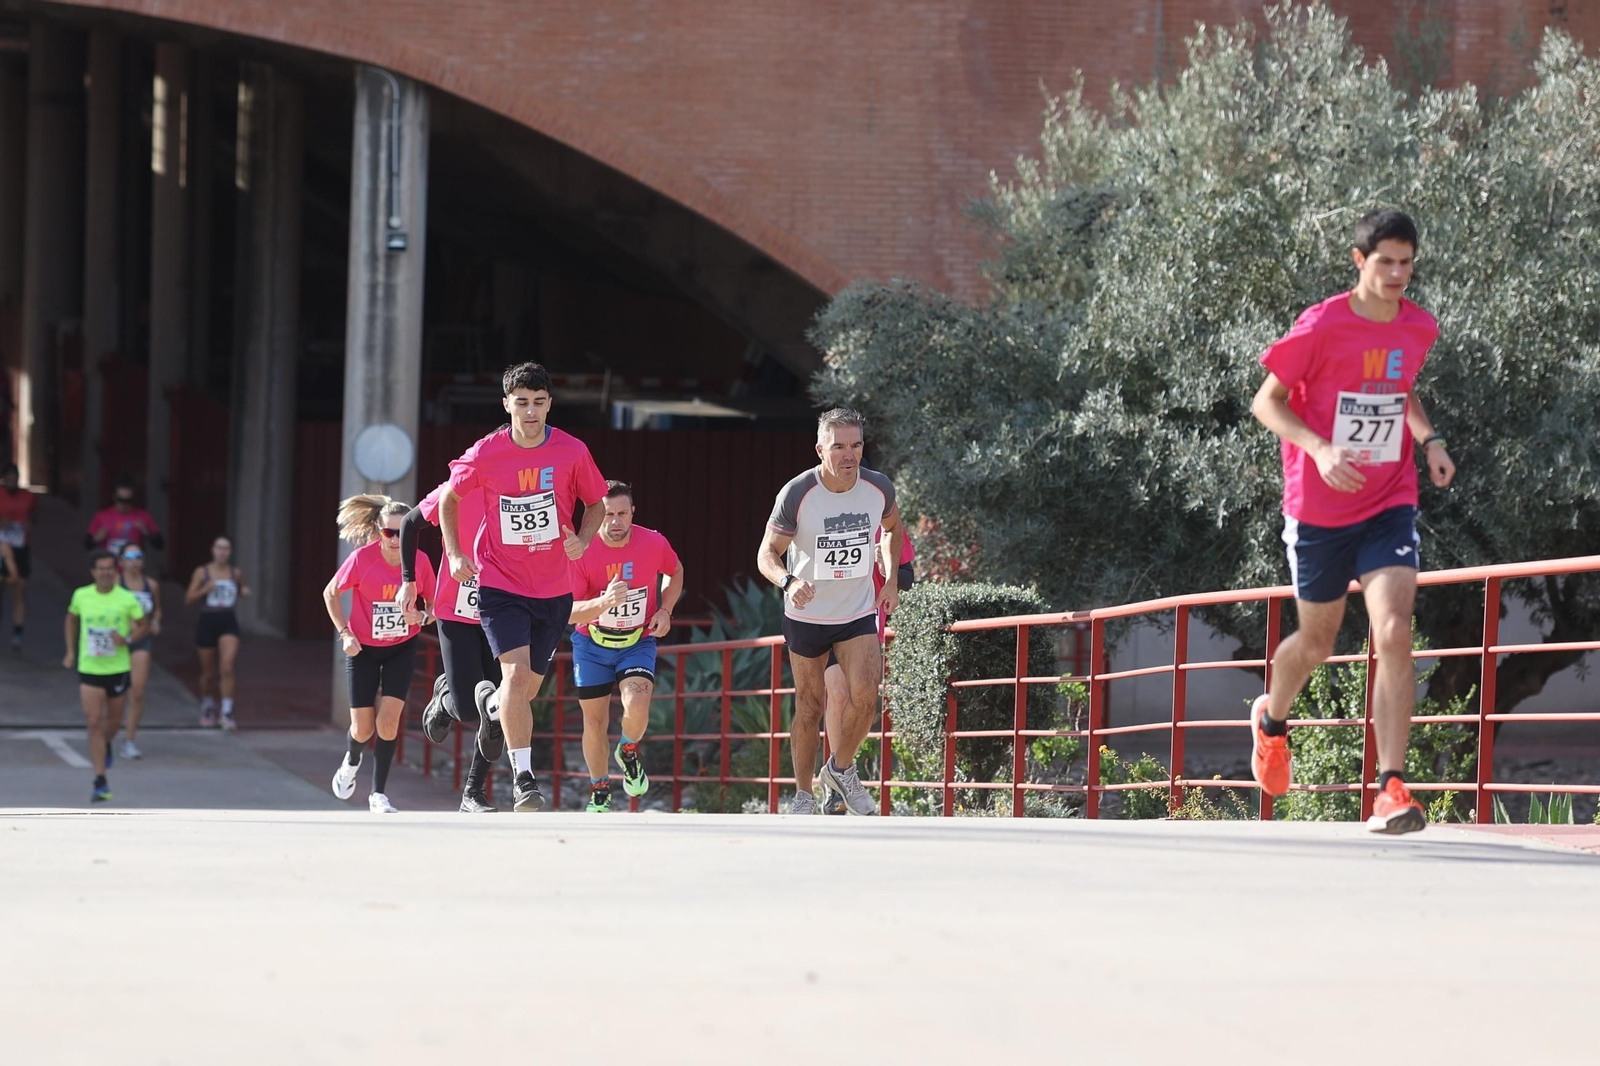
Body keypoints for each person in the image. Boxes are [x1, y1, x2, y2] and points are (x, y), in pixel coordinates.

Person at [1248, 208, 1456, 836]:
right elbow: (1267, 402)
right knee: (1316, 642)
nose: (1397, 274)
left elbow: (1402, 388)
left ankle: (1391, 788)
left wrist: (1430, 440)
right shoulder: (1322, 325)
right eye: (1385, 261)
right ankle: (1271, 721)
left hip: (1389, 499)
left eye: (1407, 263)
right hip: (1318, 509)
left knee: (1393, 630)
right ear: (1359, 261)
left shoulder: (1418, 327)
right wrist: (1319, 448)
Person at [432, 362, 608, 813]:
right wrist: (454, 554)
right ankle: (524, 779)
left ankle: (475, 703)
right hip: (501, 584)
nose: (531, 412)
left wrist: (583, 540)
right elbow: (450, 498)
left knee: (524, 690)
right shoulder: (487, 452)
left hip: (553, 590)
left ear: (550, 404)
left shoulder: (571, 451)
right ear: (507, 404)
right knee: (512, 676)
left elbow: (596, 503)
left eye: (539, 402)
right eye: (522, 402)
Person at [757, 408, 903, 816]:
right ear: (821, 449)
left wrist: (890, 579)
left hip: (856, 612)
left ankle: (840, 769)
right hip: (807, 616)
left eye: (855, 445)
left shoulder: (878, 488)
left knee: (866, 695)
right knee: (810, 706)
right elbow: (766, 553)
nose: (848, 455)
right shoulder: (798, 493)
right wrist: (788, 582)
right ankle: (803, 793)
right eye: (838, 446)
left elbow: (893, 528)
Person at [567, 481, 685, 813]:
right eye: (607, 514)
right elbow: (568, 611)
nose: (615, 522)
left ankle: (628, 749)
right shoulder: (583, 551)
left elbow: (675, 571)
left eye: (622, 513)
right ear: (596, 515)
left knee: (637, 701)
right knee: (594, 722)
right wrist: (604, 602)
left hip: (637, 641)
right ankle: (600, 789)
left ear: (633, 512)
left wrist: (665, 609)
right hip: (592, 644)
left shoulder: (653, 542)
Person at [398, 477, 505, 813]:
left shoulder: (523, 495)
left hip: (502, 614)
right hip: (455, 613)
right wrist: (408, 582)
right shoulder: (454, 491)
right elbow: (408, 524)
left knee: (497, 710)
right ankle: (445, 700)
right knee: (468, 709)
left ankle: (474, 792)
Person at [324, 495, 436, 814]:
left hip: (402, 647)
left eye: (403, 533)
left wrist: (423, 617)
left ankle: (378, 794)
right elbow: (330, 593)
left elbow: (435, 604)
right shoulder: (362, 559)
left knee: (388, 722)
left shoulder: (421, 562)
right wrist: (344, 633)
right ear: (378, 532)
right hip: (363, 650)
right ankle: (352, 759)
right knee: (363, 728)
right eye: (389, 533)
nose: (396, 540)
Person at [819, 524, 915, 814]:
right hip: (826, 619)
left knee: (861, 701)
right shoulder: (826, 519)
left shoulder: (890, 529)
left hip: (865, 628)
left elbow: (907, 579)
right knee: (838, 693)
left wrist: (885, 566)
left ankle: (838, 771)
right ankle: (841, 777)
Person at [63, 550, 148, 803]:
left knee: (112, 723)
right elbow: (70, 619)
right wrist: (70, 651)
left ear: (116, 571)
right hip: (90, 667)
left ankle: (106, 743)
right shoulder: (81, 595)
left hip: (117, 668)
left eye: (110, 568)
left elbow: (144, 624)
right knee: (93, 722)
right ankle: (100, 780)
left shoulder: (126, 598)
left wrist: (128, 639)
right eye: (101, 568)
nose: (105, 573)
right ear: (93, 572)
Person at [185, 535, 249, 730]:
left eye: (226, 549)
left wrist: (244, 590)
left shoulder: (235, 573)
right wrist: (205, 589)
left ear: (230, 552)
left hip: (227, 621)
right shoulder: (202, 572)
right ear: (213, 550)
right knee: (208, 673)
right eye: (219, 548)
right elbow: (188, 598)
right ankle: (207, 705)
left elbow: (241, 588)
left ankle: (227, 712)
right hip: (207, 621)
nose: (222, 552)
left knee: (227, 667)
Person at [116, 545, 162, 760]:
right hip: (118, 642)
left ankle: (129, 739)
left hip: (141, 641)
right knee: (114, 692)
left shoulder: (151, 585)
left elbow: (157, 610)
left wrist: (155, 621)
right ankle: (107, 734)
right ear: (122, 561)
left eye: (138, 557)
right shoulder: (116, 583)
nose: (134, 561)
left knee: (138, 690)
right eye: (130, 557)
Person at [0, 463, 37, 649]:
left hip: (21, 548)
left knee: (19, 590)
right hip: (1, 547)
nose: (12, 481)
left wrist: (29, 523)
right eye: (9, 478)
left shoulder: (29, 496)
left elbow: (35, 517)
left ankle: (17, 633)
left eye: (15, 478)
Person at [86, 475, 164, 560]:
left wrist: (147, 533)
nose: (124, 504)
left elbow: (160, 545)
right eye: (121, 500)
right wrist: (96, 539)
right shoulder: (101, 516)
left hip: (133, 568)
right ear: (114, 497)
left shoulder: (143, 516)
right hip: (109, 569)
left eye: (128, 501)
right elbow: (86, 545)